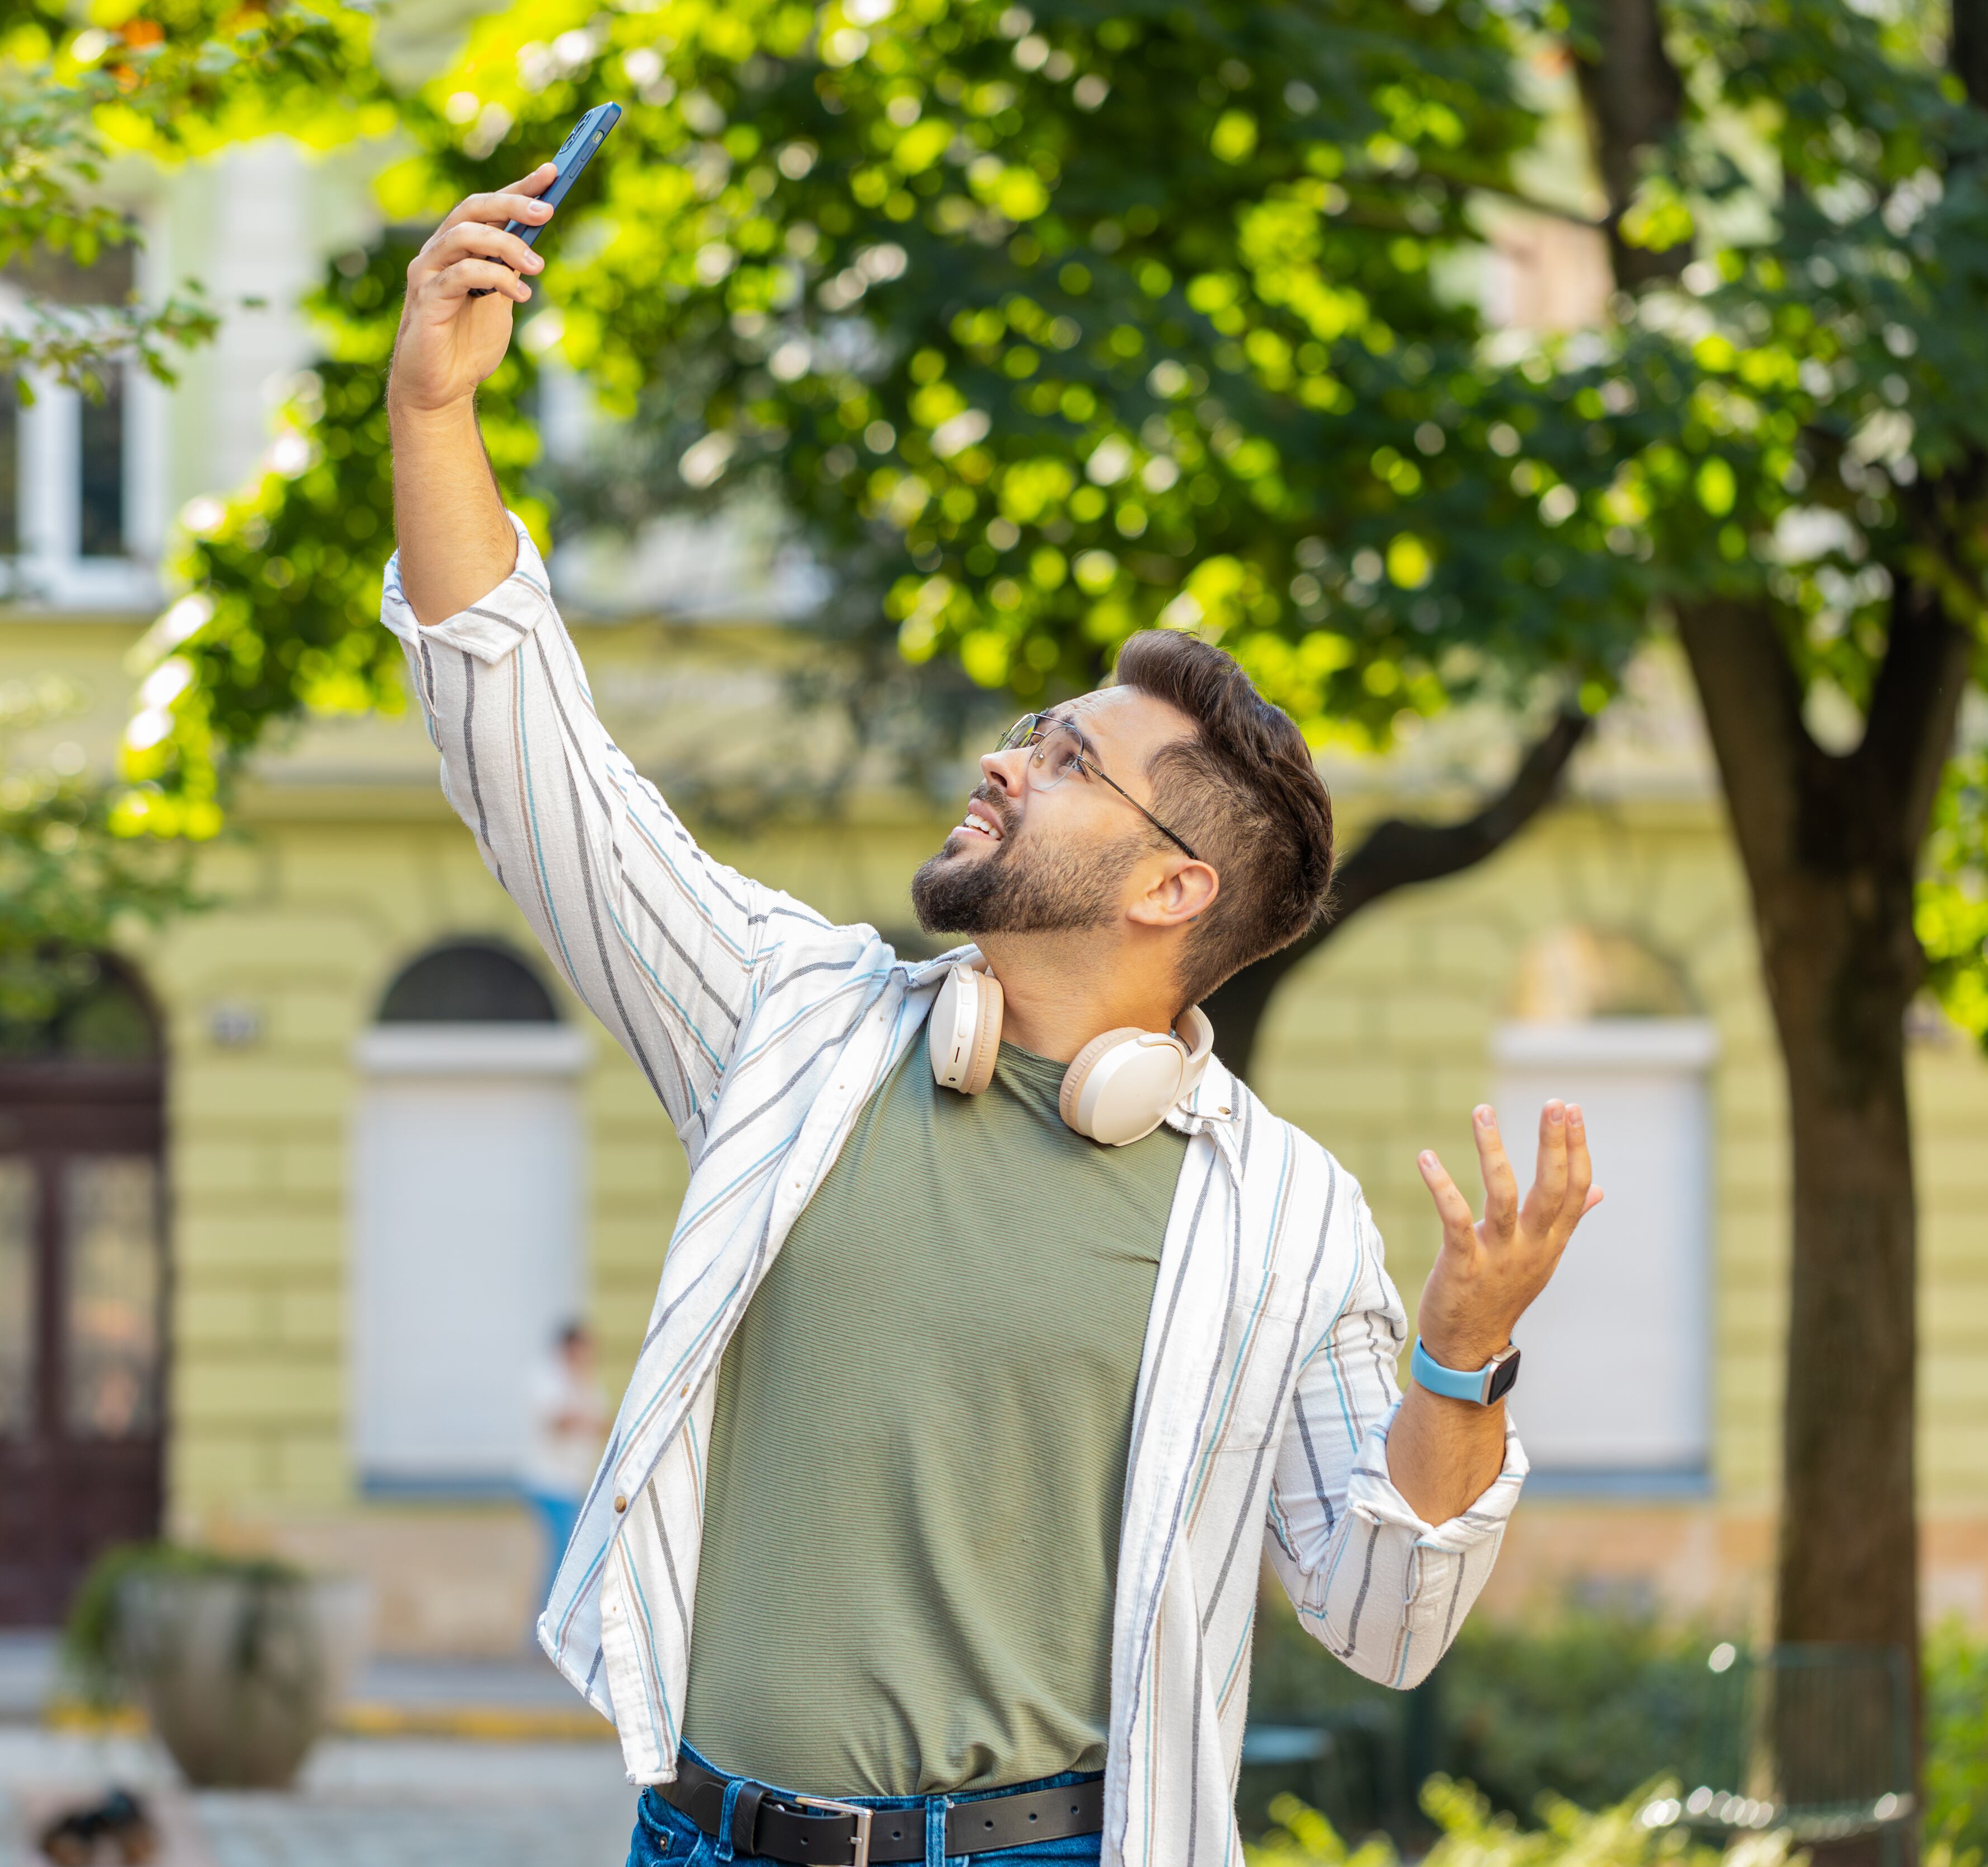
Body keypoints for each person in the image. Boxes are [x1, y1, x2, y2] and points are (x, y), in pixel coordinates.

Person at [380, 162, 1603, 1867]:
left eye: (1067, 758)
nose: (1004, 758)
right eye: (1033, 726)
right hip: (699, 1837)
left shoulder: (1276, 1217)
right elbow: (538, 774)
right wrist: (434, 411)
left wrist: (1460, 1355)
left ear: (1170, 887)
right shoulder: (791, 1025)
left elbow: (1381, 1611)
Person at [527, 1318, 611, 1616]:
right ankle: (545, 1626)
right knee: (564, 1556)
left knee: (569, 1556)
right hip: (550, 1483)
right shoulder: (549, 1378)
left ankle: (554, 1624)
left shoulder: (588, 1383)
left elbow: (603, 1424)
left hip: (575, 1483)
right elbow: (559, 1421)